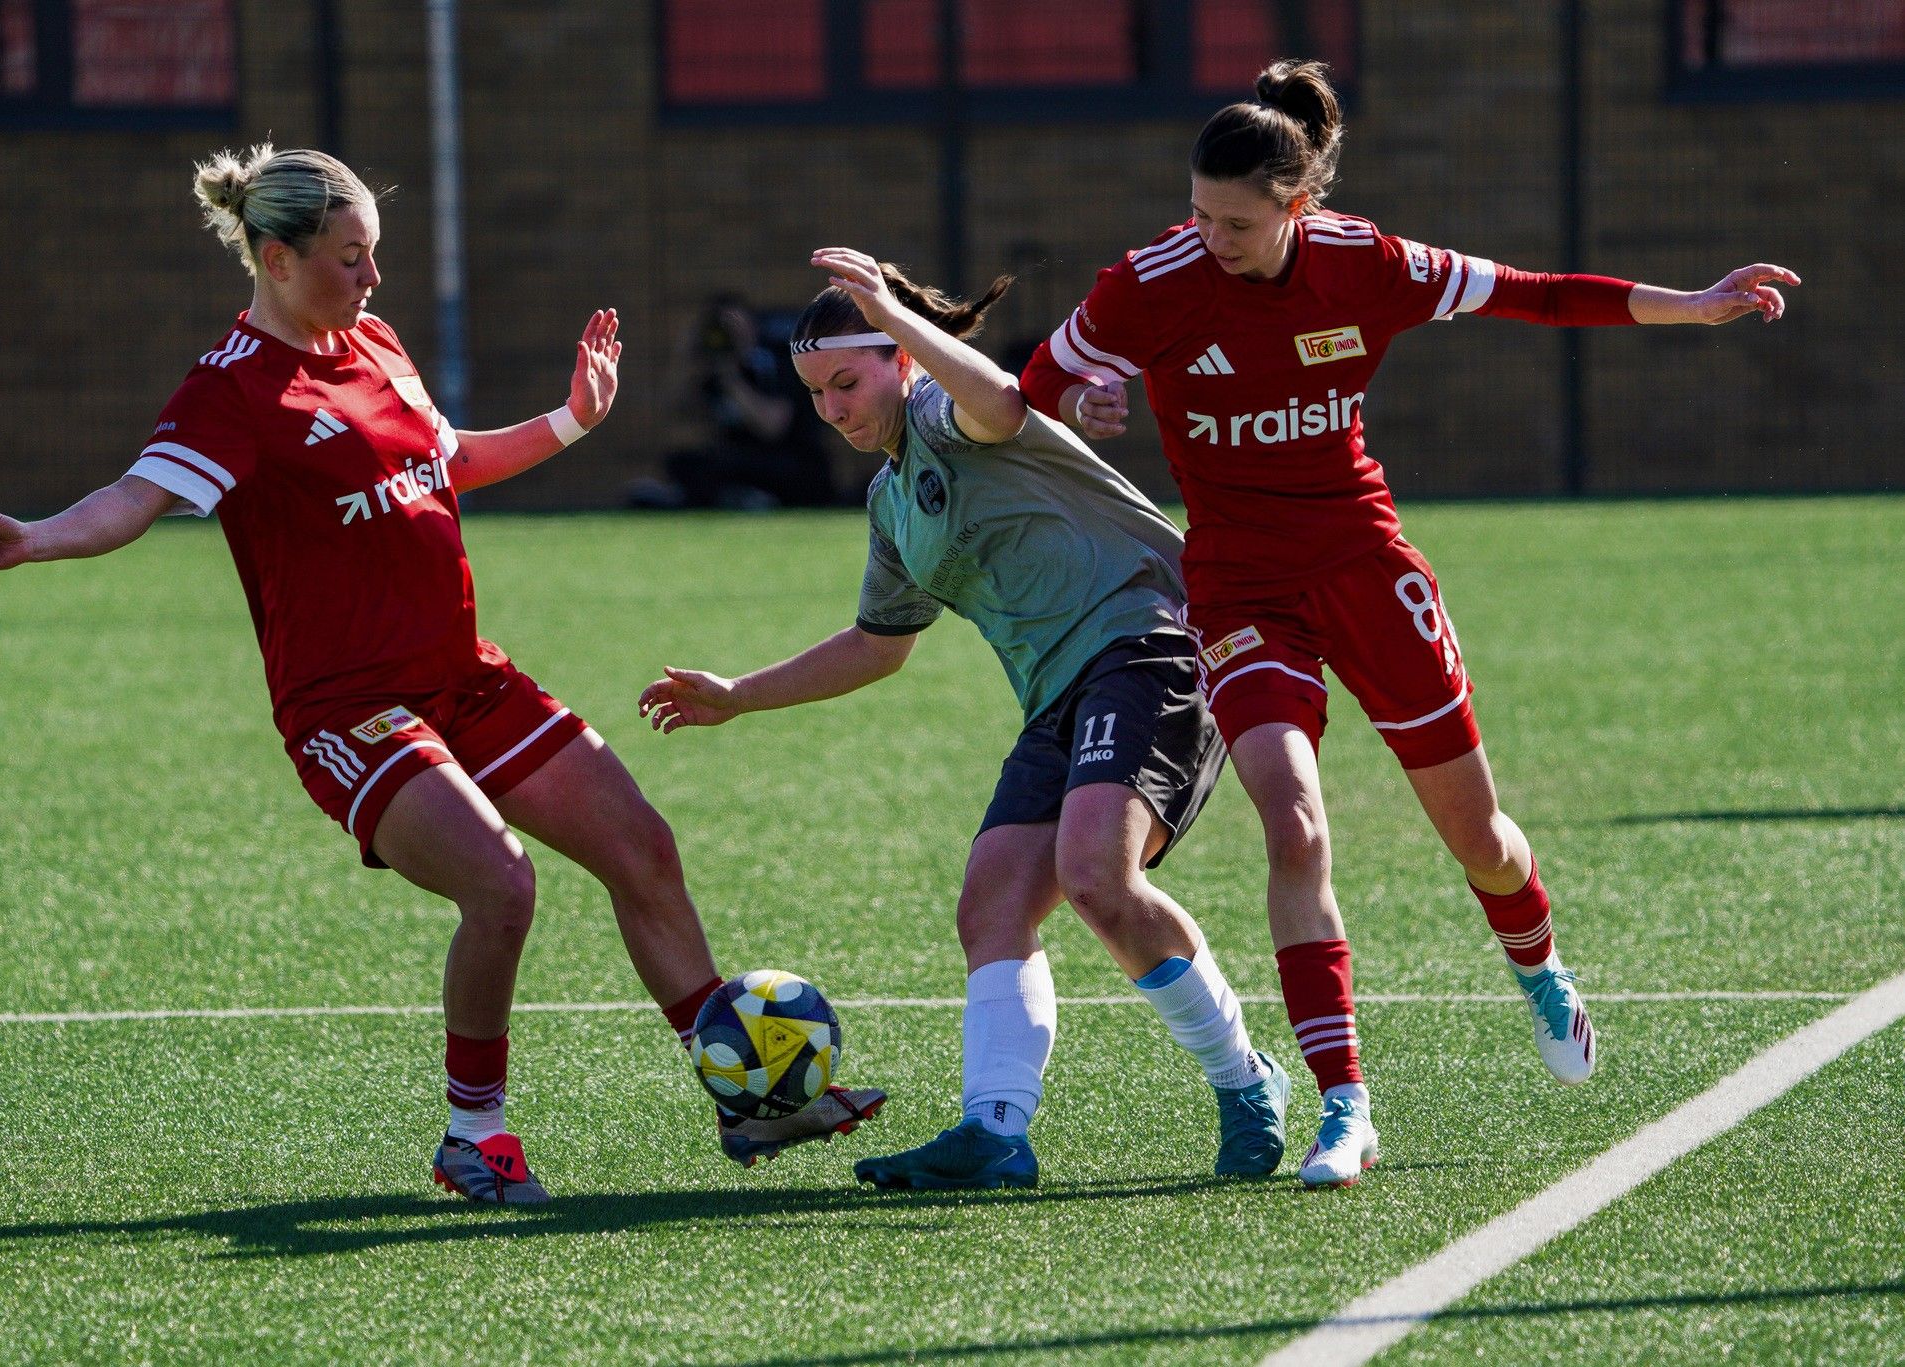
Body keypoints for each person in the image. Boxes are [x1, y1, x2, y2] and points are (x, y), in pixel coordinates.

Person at [0, 144, 882, 1205]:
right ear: (275, 257)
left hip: (464, 676)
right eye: (350, 258)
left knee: (642, 848)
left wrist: (574, 416)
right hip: (350, 711)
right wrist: (34, 537)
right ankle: (470, 1134)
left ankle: (748, 1095)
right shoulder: (233, 392)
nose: (371, 278)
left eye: (374, 255)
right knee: (501, 883)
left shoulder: (375, 342)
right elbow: (130, 500)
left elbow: (449, 459)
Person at [1018, 60, 1799, 1187]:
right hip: (1240, 587)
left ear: (1299, 207)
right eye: (1195, 211)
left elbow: (1534, 291)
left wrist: (1689, 301)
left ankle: (1537, 967)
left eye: (1234, 221)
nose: (1208, 236)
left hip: (1362, 564)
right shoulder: (1150, 281)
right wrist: (1086, 396)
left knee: (1476, 834)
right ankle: (1346, 1109)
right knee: (1294, 823)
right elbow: (1035, 390)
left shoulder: (1366, 263)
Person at [638, 247, 1291, 1190]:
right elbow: (878, 644)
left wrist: (903, 324)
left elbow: (999, 402)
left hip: (1149, 647)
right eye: (817, 391)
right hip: (1059, 695)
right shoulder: (890, 498)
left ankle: (1245, 1079)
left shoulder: (947, 411)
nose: (833, 408)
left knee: (1097, 875)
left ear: (901, 359)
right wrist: (739, 695)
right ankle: (995, 1131)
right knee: (991, 902)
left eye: (848, 381)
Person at [630, 294, 841, 510]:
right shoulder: (710, 370)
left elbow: (773, 426)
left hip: (786, 459)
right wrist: (687, 356)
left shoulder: (776, 362)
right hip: (734, 459)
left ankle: (744, 498)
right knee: (685, 463)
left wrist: (732, 377)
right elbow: (672, 412)